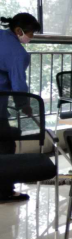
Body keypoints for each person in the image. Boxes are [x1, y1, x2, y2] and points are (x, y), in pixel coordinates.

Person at [0, 13, 41, 204]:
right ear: (19, 30)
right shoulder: (18, 53)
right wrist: (24, 104)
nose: (31, 37)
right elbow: (18, 84)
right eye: (31, 33)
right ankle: (4, 191)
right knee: (6, 145)